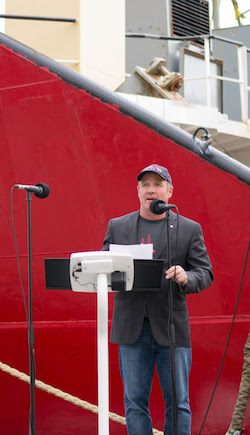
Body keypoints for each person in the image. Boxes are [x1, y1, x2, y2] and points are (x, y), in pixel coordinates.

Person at [102, 164, 213, 435]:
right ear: (138, 191)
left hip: (171, 327)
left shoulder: (188, 229)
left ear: (170, 192)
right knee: (134, 403)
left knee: (178, 402)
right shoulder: (117, 226)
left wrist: (187, 277)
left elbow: (205, 272)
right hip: (131, 328)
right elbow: (102, 267)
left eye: (158, 184)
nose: (151, 189)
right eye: (145, 185)